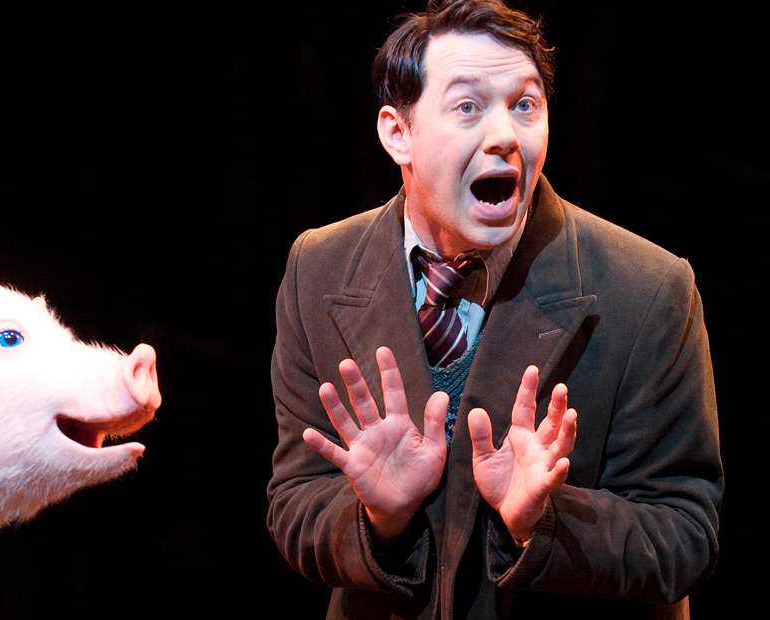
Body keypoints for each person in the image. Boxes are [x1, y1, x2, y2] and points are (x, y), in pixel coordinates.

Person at [265, 1, 722, 618]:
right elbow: (296, 502)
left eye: (525, 105)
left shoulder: (650, 289)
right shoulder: (318, 268)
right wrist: (380, 520)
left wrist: (544, 522)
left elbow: (684, 534)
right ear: (397, 133)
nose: (505, 135)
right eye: (468, 107)